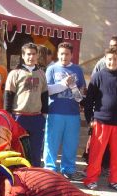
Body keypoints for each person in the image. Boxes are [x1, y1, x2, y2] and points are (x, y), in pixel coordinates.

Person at [82, 47, 117, 191]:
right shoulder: (98, 76)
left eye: (115, 59)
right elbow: (89, 100)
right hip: (101, 121)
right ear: (105, 59)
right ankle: (91, 179)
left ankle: (116, 180)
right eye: (109, 59)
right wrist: (90, 119)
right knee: (96, 154)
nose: (112, 61)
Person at [44, 42, 86, 181]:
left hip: (73, 113)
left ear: (72, 55)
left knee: (71, 143)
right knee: (51, 142)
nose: (64, 56)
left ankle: (69, 169)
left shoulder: (78, 70)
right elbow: (48, 90)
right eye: (61, 53)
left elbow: (80, 97)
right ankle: (50, 168)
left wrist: (72, 85)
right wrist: (63, 84)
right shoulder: (51, 69)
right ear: (58, 54)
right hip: (55, 111)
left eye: (67, 54)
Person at [4, 42, 48, 167]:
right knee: (17, 149)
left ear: (37, 55)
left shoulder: (41, 74)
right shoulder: (15, 73)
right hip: (19, 117)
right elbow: (8, 95)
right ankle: (17, 174)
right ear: (23, 55)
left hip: (36, 117)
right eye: (28, 54)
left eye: (34, 54)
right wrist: (8, 115)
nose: (31, 57)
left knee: (35, 150)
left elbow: (44, 95)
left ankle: (35, 174)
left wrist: (44, 114)